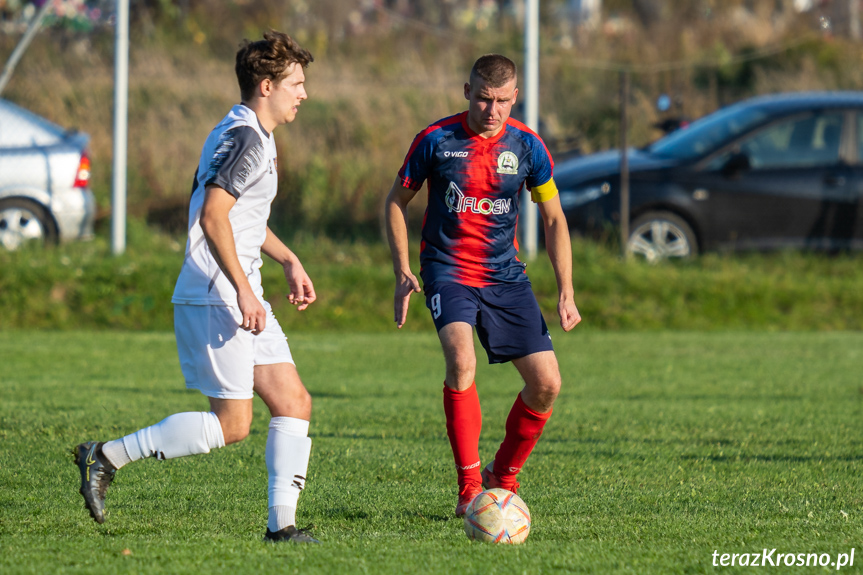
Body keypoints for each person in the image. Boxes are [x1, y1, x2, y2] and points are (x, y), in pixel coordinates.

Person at [74, 31, 320, 544]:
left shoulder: (247, 131)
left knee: (294, 401)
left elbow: (242, 218)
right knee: (232, 425)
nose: (304, 93)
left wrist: (288, 258)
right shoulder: (247, 137)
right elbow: (213, 217)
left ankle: (282, 528)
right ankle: (106, 456)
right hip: (218, 293)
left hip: (238, 287)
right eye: (296, 83)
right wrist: (244, 292)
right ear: (267, 84)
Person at [385, 54, 582, 517]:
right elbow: (396, 202)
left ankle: (502, 478)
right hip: (446, 266)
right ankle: (470, 489)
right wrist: (401, 270)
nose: (490, 110)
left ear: (516, 97)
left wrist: (566, 290)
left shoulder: (529, 148)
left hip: (504, 273)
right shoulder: (436, 140)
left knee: (547, 384)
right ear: (466, 91)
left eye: (500, 101)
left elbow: (553, 218)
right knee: (461, 360)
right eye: (482, 98)